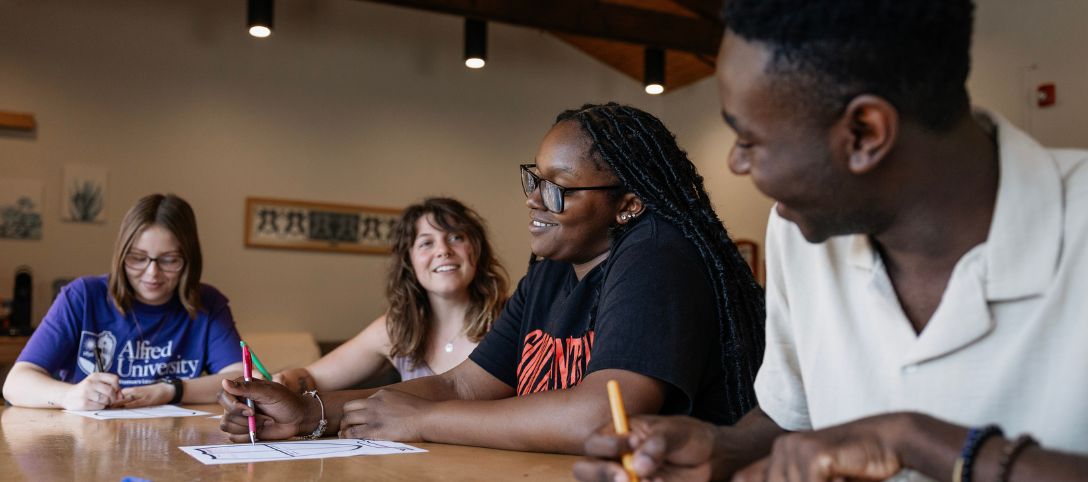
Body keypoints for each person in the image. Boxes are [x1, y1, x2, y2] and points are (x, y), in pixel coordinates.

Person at [575, 1, 1088, 481]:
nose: (735, 162)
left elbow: (886, 438)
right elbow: (794, 418)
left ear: (864, 133)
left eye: (748, 139)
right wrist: (725, 447)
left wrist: (914, 438)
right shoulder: (802, 237)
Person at [217, 103, 766, 454]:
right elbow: (463, 383)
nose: (532, 197)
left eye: (557, 186)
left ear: (626, 205)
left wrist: (427, 421)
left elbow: (601, 415)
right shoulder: (551, 272)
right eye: (534, 177)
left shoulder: (656, 257)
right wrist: (312, 413)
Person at [2, 193, 243, 410]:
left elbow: (242, 378)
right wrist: (69, 395)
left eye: (169, 260)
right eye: (137, 258)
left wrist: (171, 390)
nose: (152, 273)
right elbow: (15, 383)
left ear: (189, 260)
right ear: (121, 255)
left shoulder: (208, 303)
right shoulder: (83, 296)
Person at [272, 197, 509, 392]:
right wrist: (282, 381)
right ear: (409, 261)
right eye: (426, 243)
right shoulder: (394, 329)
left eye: (456, 238)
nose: (443, 251)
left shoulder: (510, 318)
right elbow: (311, 377)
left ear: (476, 251)